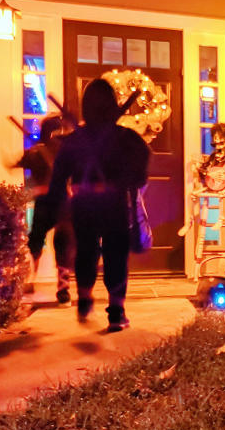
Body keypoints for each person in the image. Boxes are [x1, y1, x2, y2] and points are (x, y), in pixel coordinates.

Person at [46, 79, 149, 332]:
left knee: (86, 252)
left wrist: (59, 204)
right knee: (115, 254)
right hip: (114, 202)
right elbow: (142, 166)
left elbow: (60, 175)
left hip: (84, 203)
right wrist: (128, 182)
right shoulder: (126, 138)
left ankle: (84, 298)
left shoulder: (75, 140)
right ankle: (116, 312)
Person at [15, 115, 74, 304]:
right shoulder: (42, 152)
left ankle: (57, 286)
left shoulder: (55, 150)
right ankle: (38, 280)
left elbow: (17, 164)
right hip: (54, 201)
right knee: (46, 240)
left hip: (56, 201)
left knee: (54, 241)